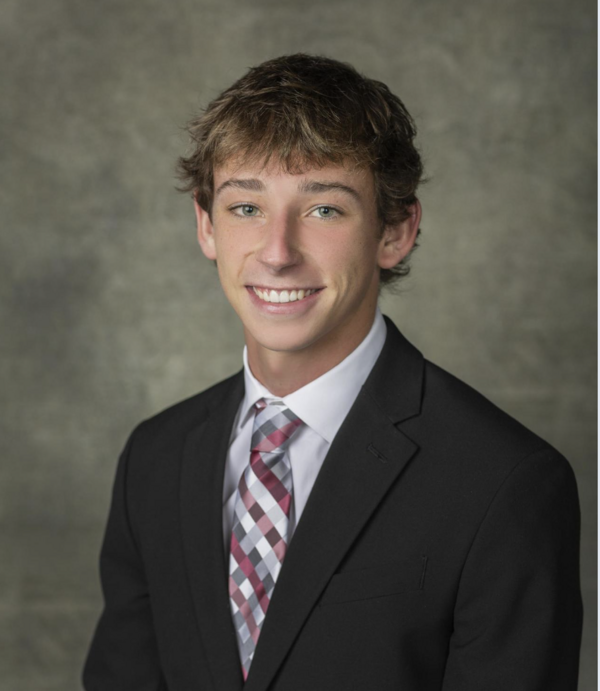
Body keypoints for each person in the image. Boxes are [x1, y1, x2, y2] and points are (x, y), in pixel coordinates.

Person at [83, 54, 583, 691]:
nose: (277, 251)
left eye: (324, 210)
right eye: (245, 208)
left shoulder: (503, 483)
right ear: (206, 226)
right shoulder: (154, 459)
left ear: (395, 231)